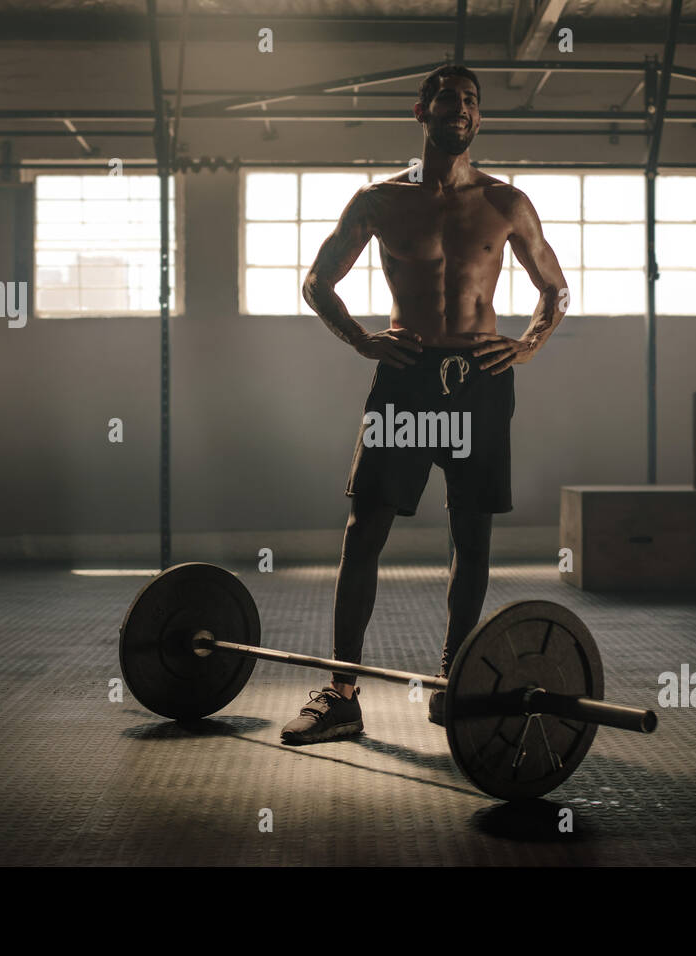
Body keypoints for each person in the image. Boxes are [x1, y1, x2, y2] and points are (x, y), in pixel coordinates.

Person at [282, 64, 568, 743]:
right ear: (421, 110)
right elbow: (318, 282)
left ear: (478, 117)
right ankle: (342, 692)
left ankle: (454, 684)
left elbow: (554, 289)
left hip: (479, 377)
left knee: (471, 537)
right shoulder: (379, 201)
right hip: (407, 377)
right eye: (447, 98)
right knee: (365, 532)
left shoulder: (507, 203)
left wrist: (526, 345)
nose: (460, 109)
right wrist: (360, 340)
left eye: (471, 100)